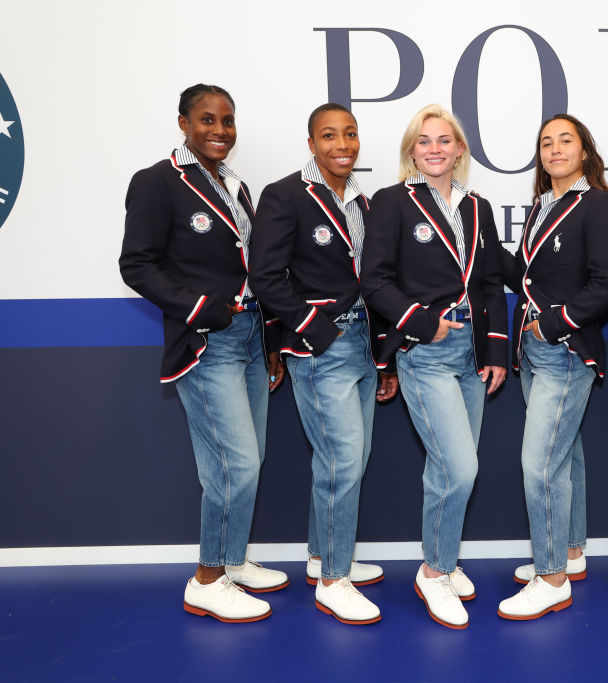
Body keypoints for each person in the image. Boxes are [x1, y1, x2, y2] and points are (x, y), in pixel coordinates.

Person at [119, 84, 288, 623]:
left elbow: (254, 271)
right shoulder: (157, 182)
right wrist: (202, 308)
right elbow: (137, 265)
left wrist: (269, 343)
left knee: (247, 460)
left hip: (249, 339)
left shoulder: (236, 185)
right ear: (183, 123)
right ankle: (206, 579)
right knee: (233, 463)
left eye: (228, 121)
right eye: (207, 120)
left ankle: (232, 560)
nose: (219, 130)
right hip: (205, 343)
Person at [248, 103, 399, 626]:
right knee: (341, 459)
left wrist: (383, 357)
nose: (342, 144)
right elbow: (265, 276)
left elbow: (376, 280)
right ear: (311, 143)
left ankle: (322, 557)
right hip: (320, 348)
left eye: (350, 134)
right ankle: (334, 581)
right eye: (329, 135)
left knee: (347, 461)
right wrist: (313, 331)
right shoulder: (284, 195)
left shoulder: (366, 199)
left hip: (362, 343)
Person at [360, 104, 507, 630]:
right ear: (411, 151)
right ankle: (434, 570)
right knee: (459, 467)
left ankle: (442, 558)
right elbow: (374, 281)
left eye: (445, 140)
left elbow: (490, 282)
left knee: (444, 469)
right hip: (425, 351)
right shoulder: (392, 203)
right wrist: (425, 325)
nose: (435, 149)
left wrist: (494, 351)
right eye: (424, 141)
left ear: (460, 149)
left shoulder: (477, 206)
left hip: (472, 353)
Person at [497, 114, 608, 621]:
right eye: (546, 143)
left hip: (567, 349)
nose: (554, 149)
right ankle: (570, 554)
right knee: (564, 455)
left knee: (541, 464)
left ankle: (550, 578)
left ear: (585, 151)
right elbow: (529, 278)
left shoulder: (600, 204)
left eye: (565, 140)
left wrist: (554, 325)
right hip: (535, 350)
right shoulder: (544, 205)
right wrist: (481, 242)